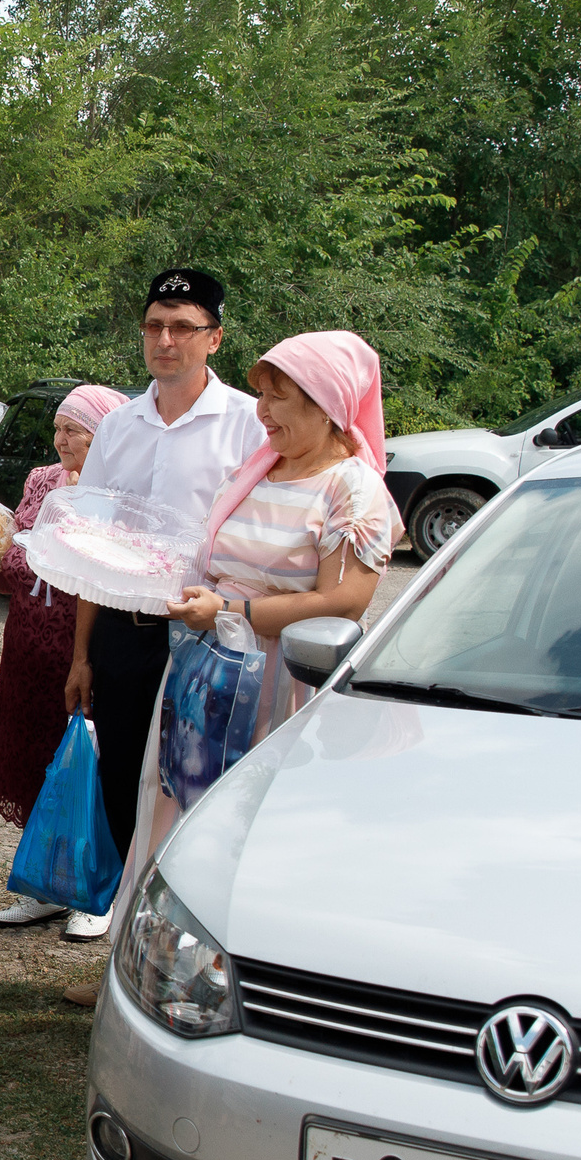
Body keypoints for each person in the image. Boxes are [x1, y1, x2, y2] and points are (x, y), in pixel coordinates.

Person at [59, 268, 265, 944]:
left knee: (196, 792)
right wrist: (83, 654)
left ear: (215, 338)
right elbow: (93, 546)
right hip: (124, 632)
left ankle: (189, 947)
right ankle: (122, 948)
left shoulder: (245, 423)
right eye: (154, 326)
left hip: (205, 638)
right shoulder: (118, 425)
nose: (165, 340)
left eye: (183, 327)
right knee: (122, 785)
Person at [141, 332, 397, 841]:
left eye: (279, 396)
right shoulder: (256, 472)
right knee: (179, 803)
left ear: (328, 407)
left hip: (284, 680)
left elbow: (344, 603)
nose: (262, 410)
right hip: (210, 670)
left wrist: (230, 611)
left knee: (250, 818)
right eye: (261, 394)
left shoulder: (351, 487)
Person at [0, 383, 127, 926]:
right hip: (27, 640)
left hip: (80, 641)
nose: (62, 439)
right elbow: (17, 538)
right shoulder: (40, 479)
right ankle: (44, 882)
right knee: (37, 756)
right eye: (59, 428)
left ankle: (95, 892)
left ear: (105, 435)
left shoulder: (118, 487)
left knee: (90, 761)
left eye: (75, 430)